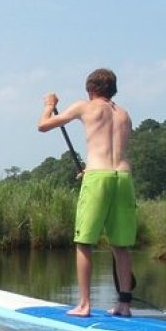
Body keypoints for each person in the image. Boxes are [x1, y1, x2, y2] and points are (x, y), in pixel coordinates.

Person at [37, 68, 136, 317]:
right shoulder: (124, 114)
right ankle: (124, 305)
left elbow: (43, 126)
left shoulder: (85, 106)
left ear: (90, 89)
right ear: (112, 90)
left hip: (98, 177)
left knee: (83, 243)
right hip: (123, 178)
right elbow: (112, 147)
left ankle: (84, 304)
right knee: (121, 246)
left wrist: (49, 105)